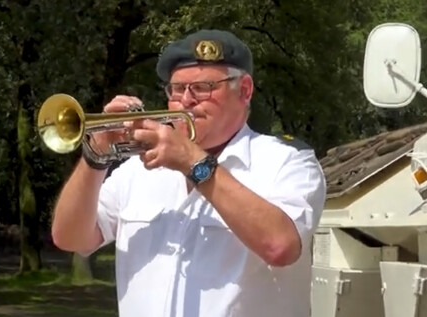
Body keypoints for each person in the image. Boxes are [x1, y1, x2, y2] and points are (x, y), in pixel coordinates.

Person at [50, 29, 327, 317]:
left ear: (244, 90)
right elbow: (70, 238)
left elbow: (280, 246)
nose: (186, 100)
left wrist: (193, 163)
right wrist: (96, 157)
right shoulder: (137, 170)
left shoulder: (286, 161)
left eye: (203, 88)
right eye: (176, 89)